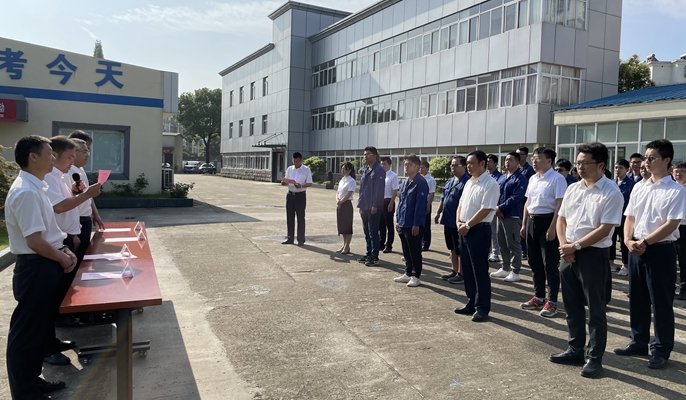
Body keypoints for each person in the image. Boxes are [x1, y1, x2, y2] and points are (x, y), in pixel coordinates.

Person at [5, 135, 78, 400]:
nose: (54, 158)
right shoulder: (25, 191)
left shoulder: (37, 187)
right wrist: (62, 258)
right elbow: (34, 241)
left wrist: (64, 249)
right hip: (36, 266)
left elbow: (48, 232)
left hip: (46, 262)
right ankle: (25, 392)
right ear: (33, 157)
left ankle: (33, 382)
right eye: (49, 153)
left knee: (38, 329)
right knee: (26, 332)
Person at [550, 143, 623, 378]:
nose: (579, 167)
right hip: (568, 252)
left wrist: (576, 246)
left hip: (593, 254)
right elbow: (562, 219)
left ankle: (594, 358)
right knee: (571, 306)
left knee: (596, 309)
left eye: (585, 163)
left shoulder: (611, 192)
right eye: (578, 162)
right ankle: (575, 349)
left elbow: (605, 229)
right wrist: (565, 246)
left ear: (601, 165)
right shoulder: (573, 188)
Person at [615, 139, 686, 370]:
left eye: (651, 158)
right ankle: (638, 342)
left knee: (661, 302)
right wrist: (628, 241)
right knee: (637, 299)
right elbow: (630, 217)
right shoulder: (640, 187)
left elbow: (671, 223)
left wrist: (644, 242)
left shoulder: (676, 190)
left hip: (660, 250)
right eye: (646, 157)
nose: (646, 162)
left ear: (667, 160)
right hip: (635, 248)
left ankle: (661, 349)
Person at [42, 136, 101, 366]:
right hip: (46, 250)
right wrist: (66, 240)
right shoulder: (39, 182)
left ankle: (51, 342)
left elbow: (66, 204)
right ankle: (46, 348)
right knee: (44, 304)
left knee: (56, 293)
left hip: (63, 239)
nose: (73, 161)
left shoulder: (57, 176)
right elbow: (58, 208)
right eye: (70, 157)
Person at [520, 147, 567, 318]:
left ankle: (552, 302)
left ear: (549, 160)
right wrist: (524, 224)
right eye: (533, 158)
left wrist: (553, 227)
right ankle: (539, 297)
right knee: (534, 262)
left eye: (538, 158)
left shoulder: (557, 179)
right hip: (532, 222)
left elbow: (560, 204)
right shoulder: (533, 178)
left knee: (550, 264)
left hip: (548, 221)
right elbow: (527, 202)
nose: (534, 161)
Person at [454, 151, 500, 322]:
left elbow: (486, 209)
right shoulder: (469, 182)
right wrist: (459, 222)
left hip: (478, 230)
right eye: (467, 163)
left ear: (482, 163)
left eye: (472, 163)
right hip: (464, 229)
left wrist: (467, 225)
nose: (468, 166)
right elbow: (461, 204)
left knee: (479, 270)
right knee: (467, 268)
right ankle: (471, 302)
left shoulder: (490, 183)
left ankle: (482, 307)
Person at [64, 130, 105, 261]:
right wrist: (72, 233)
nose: (88, 155)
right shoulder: (66, 172)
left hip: (84, 218)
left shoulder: (79, 170)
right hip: (76, 221)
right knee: (76, 259)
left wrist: (95, 214)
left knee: (83, 255)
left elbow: (87, 195)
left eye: (88, 151)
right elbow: (64, 204)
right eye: (85, 151)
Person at [490, 152, 528, 282]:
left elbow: (516, 197)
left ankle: (515, 271)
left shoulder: (521, 178)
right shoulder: (502, 177)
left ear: (517, 162)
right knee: (502, 242)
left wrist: (501, 208)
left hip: (512, 215)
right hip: (500, 214)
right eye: (506, 159)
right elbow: (496, 193)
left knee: (513, 243)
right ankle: (505, 268)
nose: (507, 162)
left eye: (510, 160)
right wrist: (497, 208)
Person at [393, 154, 428, 287]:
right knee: (406, 250)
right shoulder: (405, 182)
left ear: (417, 167)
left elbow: (420, 205)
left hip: (413, 223)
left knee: (414, 250)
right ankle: (407, 273)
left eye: (409, 165)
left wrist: (416, 223)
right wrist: (398, 219)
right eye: (405, 165)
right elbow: (401, 202)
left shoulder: (421, 183)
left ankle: (415, 275)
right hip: (403, 221)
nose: (406, 167)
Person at [434, 156, 470, 284]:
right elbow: (443, 198)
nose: (453, 168)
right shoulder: (450, 181)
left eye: (456, 165)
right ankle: (454, 270)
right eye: (452, 165)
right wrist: (438, 213)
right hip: (448, 219)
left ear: (464, 167)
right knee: (452, 248)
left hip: (458, 221)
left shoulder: (467, 182)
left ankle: (462, 273)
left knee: (460, 249)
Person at [357, 146, 386, 266]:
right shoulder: (365, 169)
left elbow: (379, 190)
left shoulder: (379, 170)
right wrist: (360, 203)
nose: (365, 156)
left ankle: (374, 257)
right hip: (364, 205)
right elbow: (362, 188)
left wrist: (375, 205)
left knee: (373, 231)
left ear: (375, 156)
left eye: (368, 154)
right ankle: (369, 253)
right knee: (366, 232)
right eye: (364, 154)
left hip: (373, 206)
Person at [281, 152, 313, 245]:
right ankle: (290, 238)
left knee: (300, 218)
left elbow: (310, 183)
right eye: (294, 161)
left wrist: (301, 185)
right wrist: (284, 183)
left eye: (298, 161)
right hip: (290, 195)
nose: (296, 163)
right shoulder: (289, 169)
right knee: (289, 217)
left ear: (301, 160)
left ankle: (301, 239)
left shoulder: (306, 170)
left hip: (300, 196)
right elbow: (286, 180)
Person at [612, 159, 635, 276]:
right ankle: (610, 263)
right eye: (616, 167)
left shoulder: (631, 184)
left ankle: (625, 265)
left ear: (627, 169)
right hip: (611, 217)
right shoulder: (611, 183)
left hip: (624, 218)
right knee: (610, 242)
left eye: (620, 168)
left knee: (623, 243)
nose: (617, 170)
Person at [671, 161, 686, 300]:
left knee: (683, 260)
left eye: (682, 171)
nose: (678, 174)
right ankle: (670, 287)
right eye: (676, 171)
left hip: (684, 227)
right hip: (669, 227)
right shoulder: (669, 188)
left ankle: (684, 288)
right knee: (669, 259)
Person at [516, 146, 534, 260]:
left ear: (526, 155)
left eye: (521, 154)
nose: (519, 156)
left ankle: (525, 251)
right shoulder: (516, 168)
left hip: (524, 202)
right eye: (517, 154)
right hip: (518, 204)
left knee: (524, 227)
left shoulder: (529, 170)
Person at [335, 162, 356, 255]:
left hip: (346, 204)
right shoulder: (342, 180)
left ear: (350, 170)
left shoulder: (351, 181)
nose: (342, 170)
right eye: (342, 169)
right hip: (340, 204)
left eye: (345, 169)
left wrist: (341, 202)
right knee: (342, 226)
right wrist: (337, 201)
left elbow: (349, 194)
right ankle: (344, 245)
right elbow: (337, 192)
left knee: (347, 226)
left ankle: (347, 245)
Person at [379, 157, 399, 253]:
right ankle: (381, 243)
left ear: (389, 165)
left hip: (388, 201)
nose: (383, 166)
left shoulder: (393, 175)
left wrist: (391, 203)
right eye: (381, 164)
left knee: (389, 224)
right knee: (381, 224)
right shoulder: (380, 175)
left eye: (385, 164)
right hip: (380, 202)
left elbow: (395, 190)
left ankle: (389, 245)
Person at [487, 154, 502, 262]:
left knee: (494, 232)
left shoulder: (499, 177)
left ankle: (495, 253)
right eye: (487, 161)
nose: (488, 164)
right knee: (487, 231)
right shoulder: (485, 176)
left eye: (490, 162)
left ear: (495, 163)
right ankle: (487, 252)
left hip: (494, 208)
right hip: (485, 207)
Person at [420, 160, 436, 251]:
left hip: (425, 204)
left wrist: (428, 205)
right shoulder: (418, 178)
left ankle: (426, 244)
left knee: (426, 225)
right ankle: (420, 241)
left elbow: (431, 193)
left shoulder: (430, 180)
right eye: (420, 167)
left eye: (423, 168)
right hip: (418, 204)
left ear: (427, 169)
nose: (421, 169)